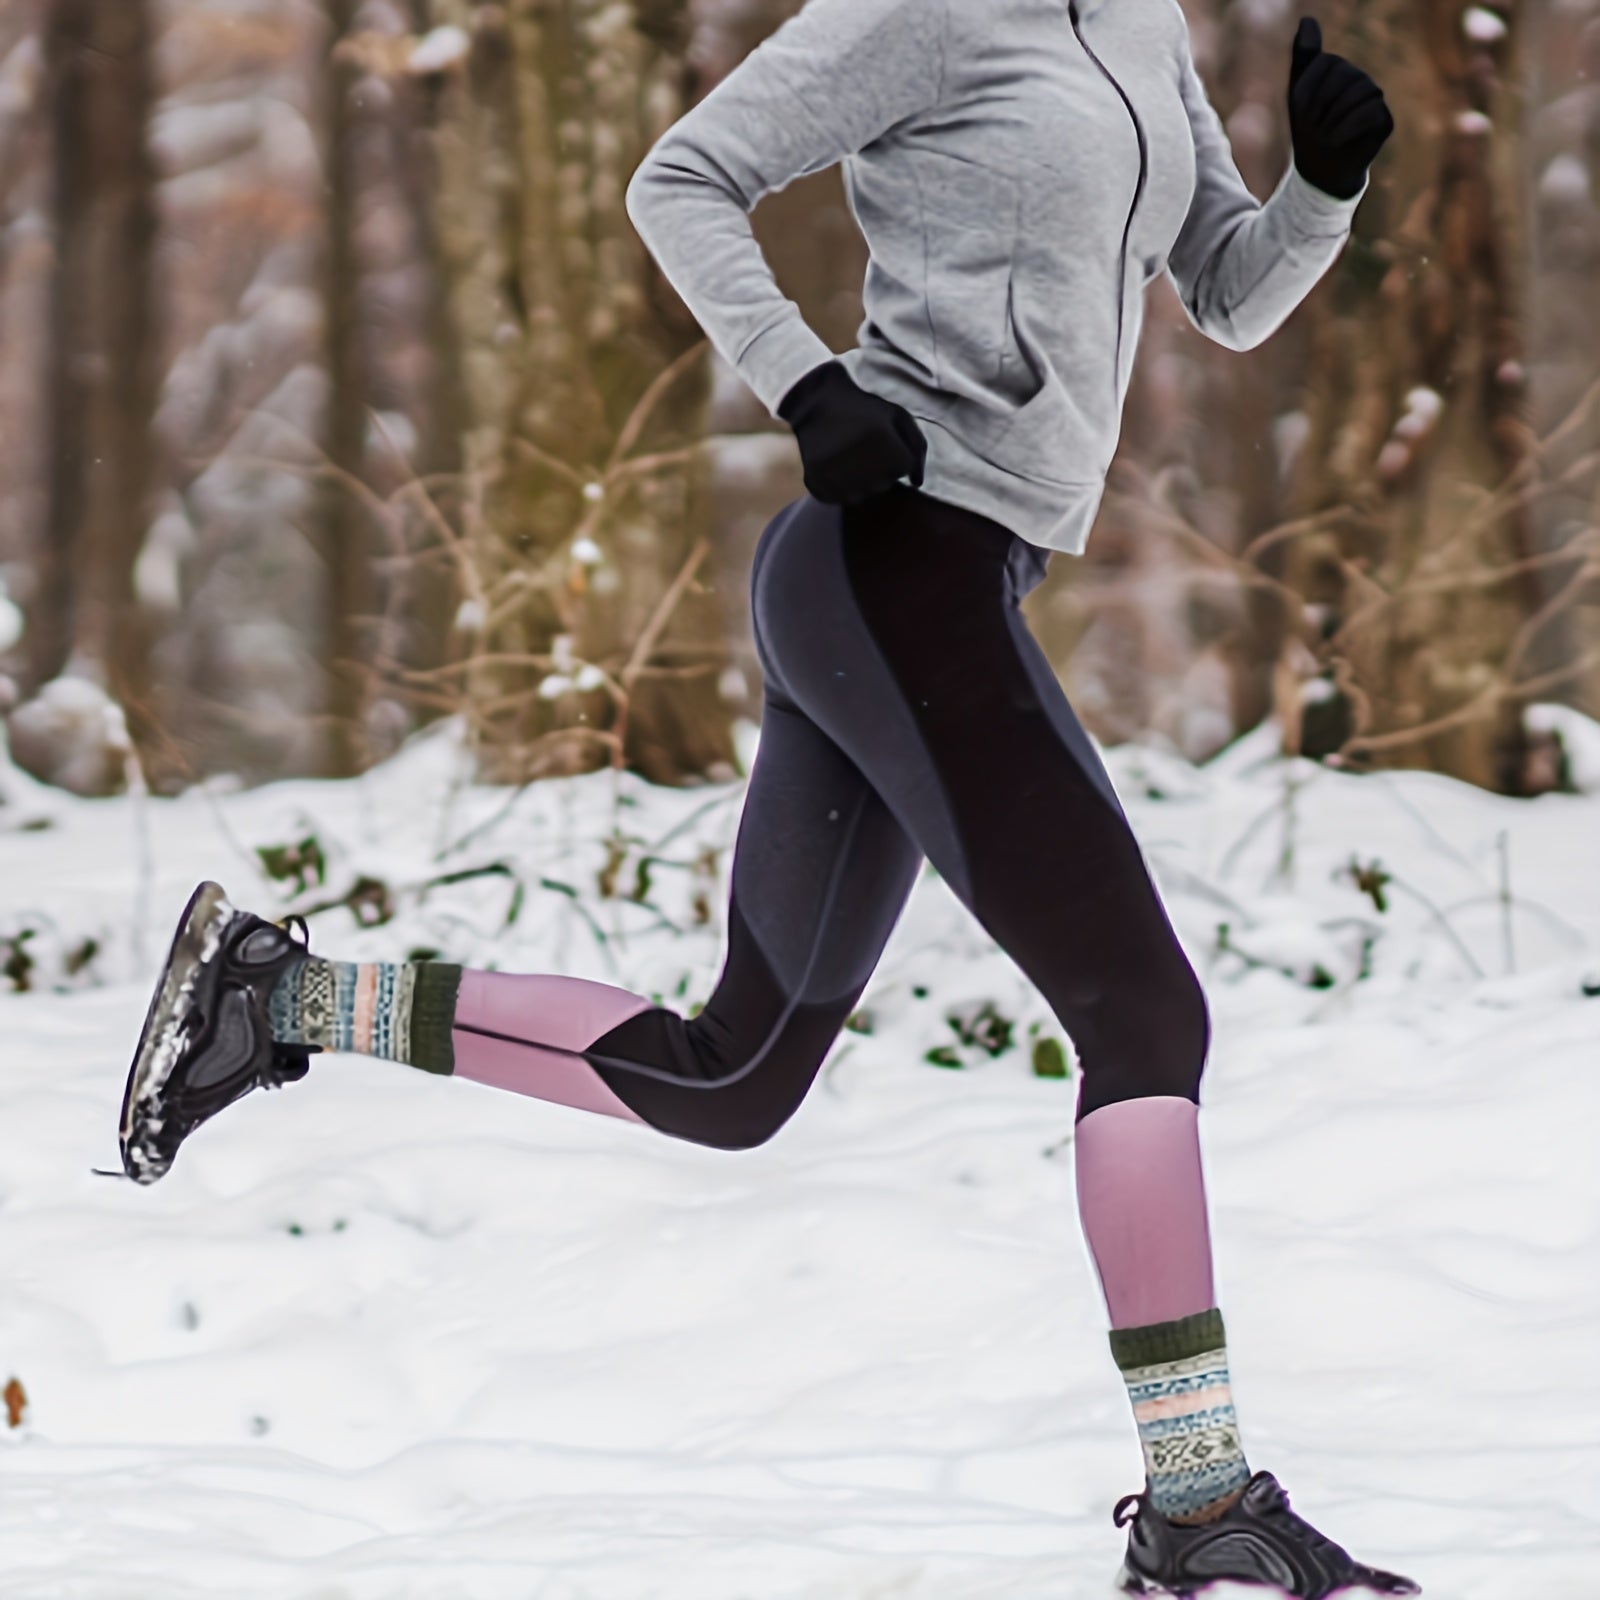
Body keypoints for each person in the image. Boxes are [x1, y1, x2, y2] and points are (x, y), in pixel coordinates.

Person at [115, 2, 1412, 1593]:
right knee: (1145, 1017)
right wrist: (805, 385)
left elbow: (1224, 291)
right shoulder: (926, 13)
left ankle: (283, 995)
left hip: (947, 579)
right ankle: (1200, 1509)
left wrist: (1323, 192)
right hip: (896, 551)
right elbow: (682, 175)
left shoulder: (1141, 23)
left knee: (733, 1080)